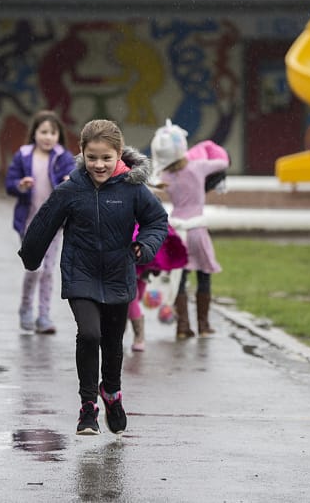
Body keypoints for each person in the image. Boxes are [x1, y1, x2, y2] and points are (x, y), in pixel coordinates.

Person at [18, 119, 167, 436]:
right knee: (89, 334)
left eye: (106, 158)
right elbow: (45, 222)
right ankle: (88, 407)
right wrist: (31, 257)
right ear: (82, 154)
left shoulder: (132, 189)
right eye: (92, 157)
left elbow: (157, 221)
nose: (99, 164)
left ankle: (111, 393)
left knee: (113, 341)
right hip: (80, 272)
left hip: (118, 273)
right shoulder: (72, 189)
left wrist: (146, 245)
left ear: (118, 156)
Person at [150, 120, 230, 338]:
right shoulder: (198, 167)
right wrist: (210, 148)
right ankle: (204, 325)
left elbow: (152, 184)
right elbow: (222, 163)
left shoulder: (165, 177)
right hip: (197, 228)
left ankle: (182, 326)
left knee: (180, 278)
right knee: (204, 275)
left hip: (177, 230)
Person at [4, 110, 74, 334]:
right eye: (43, 131)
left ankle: (44, 316)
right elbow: (10, 183)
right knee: (34, 268)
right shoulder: (23, 155)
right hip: (28, 223)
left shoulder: (63, 157)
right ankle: (25, 308)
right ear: (34, 133)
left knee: (48, 270)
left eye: (52, 133)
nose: (48, 137)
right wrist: (20, 185)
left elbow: (74, 179)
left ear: (58, 135)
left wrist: (68, 182)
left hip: (54, 224)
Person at [126, 222, 187, 351]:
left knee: (136, 296)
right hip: (132, 245)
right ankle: (139, 336)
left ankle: (127, 323)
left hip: (144, 247)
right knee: (132, 297)